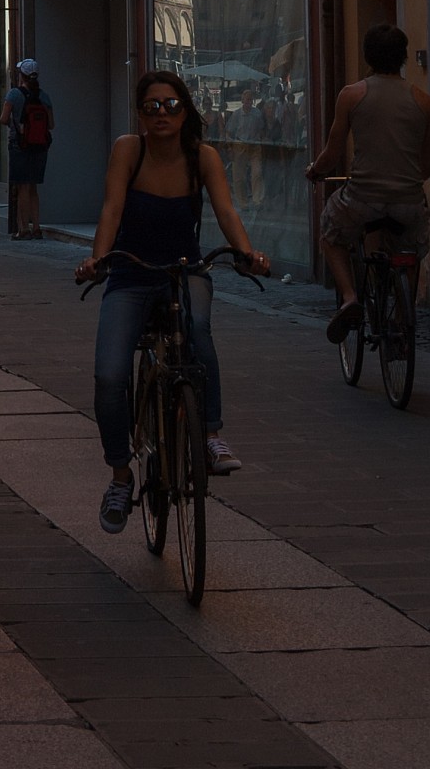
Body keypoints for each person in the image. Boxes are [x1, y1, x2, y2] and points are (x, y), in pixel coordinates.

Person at [76, 69, 269, 533]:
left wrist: (244, 253)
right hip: (131, 273)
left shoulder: (202, 156)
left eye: (170, 105)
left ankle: (211, 436)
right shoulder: (129, 149)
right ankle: (121, 475)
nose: (161, 114)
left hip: (185, 270)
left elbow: (225, 210)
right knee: (110, 373)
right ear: (140, 113)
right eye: (151, 106)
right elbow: (112, 208)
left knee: (198, 332)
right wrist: (97, 259)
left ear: (186, 111)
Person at [309, 22, 430, 342]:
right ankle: (402, 315)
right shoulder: (426, 102)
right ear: (403, 57)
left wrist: (315, 171)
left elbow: (332, 152)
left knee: (329, 233)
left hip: (362, 199)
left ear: (368, 56)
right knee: (411, 248)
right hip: (407, 200)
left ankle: (351, 298)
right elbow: (426, 167)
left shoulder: (352, 95)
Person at [0, 59, 53, 239]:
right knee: (33, 188)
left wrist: (17, 124)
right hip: (40, 146)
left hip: (19, 144)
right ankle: (36, 227)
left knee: (22, 187)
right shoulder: (44, 96)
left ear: (21, 75)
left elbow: (3, 118)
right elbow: (51, 124)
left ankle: (23, 229)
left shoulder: (14, 95)